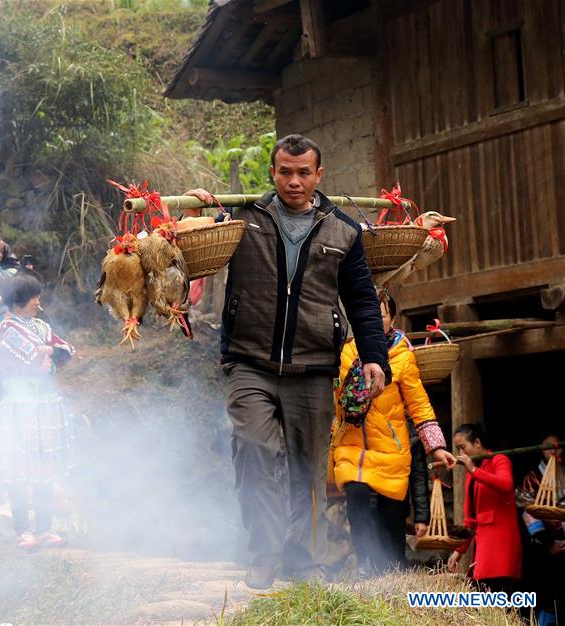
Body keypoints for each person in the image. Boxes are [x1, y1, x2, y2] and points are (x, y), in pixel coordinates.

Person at [186, 134, 391, 589]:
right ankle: (262, 553)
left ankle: (301, 561)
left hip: (314, 368)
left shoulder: (344, 231)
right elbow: (195, 254)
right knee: (255, 450)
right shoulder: (242, 220)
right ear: (273, 173)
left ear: (319, 176)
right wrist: (195, 215)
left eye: (303, 172)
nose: (293, 181)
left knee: (309, 470)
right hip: (249, 363)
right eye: (285, 171)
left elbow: (361, 300)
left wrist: (375, 355)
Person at [329, 296, 456, 574]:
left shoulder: (402, 356)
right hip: (351, 445)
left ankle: (392, 573)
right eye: (368, 313)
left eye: (382, 313)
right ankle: (364, 565)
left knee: (391, 522)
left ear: (393, 319)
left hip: (391, 450)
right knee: (357, 497)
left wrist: (436, 447)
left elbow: (419, 404)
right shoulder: (346, 352)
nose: (375, 319)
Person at [0, 275, 74, 550]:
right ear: (19, 300)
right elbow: (37, 363)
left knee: (45, 468)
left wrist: (49, 351)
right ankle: (23, 530)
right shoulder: (5, 329)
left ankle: (44, 528)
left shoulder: (40, 326)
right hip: (19, 404)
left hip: (45, 404)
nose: (38, 302)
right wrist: (49, 355)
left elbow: (67, 350)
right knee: (19, 467)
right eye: (34, 297)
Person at [448, 423, 522, 595]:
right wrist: (458, 551)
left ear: (478, 443)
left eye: (463, 447)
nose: (461, 454)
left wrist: (473, 470)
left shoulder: (499, 460)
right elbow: (470, 518)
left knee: (502, 595)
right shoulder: (472, 472)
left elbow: (506, 484)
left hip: (501, 545)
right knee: (482, 594)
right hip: (483, 546)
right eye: (458, 449)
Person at [516, 434, 564, 626]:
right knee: (546, 593)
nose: (552, 450)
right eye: (547, 447)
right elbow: (528, 512)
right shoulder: (533, 478)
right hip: (544, 546)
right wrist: (549, 543)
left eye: (557, 446)